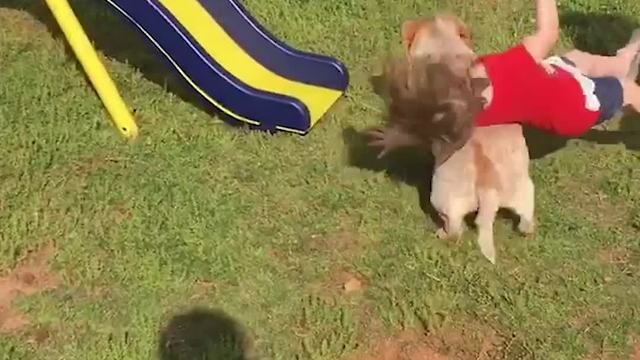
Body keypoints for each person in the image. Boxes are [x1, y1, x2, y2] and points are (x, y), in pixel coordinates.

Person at [471, 0, 640, 137]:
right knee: (627, 90)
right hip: (574, 106)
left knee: (580, 59)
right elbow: (548, 33)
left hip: (555, 81)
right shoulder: (503, 69)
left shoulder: (462, 112)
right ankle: (625, 78)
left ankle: (624, 60)